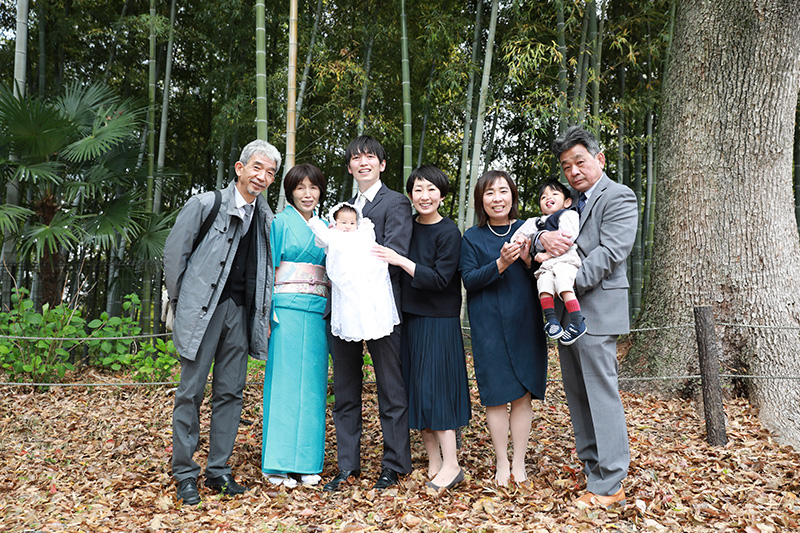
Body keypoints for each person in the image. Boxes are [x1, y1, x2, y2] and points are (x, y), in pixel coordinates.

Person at [164, 139, 279, 505]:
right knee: (191, 391)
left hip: (240, 313)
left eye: (270, 173)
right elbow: (175, 255)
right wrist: (181, 303)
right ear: (239, 168)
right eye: (257, 167)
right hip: (204, 309)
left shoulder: (267, 219)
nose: (262, 177)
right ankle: (185, 473)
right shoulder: (205, 204)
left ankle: (218, 470)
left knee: (231, 391)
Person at [538, 126, 637, 508]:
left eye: (579, 162)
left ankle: (611, 483)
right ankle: (593, 469)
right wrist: (541, 241)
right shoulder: (570, 203)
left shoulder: (618, 196)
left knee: (600, 394)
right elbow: (541, 235)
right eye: (566, 166)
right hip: (569, 314)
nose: (573, 171)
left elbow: (612, 251)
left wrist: (565, 282)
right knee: (578, 395)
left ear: (599, 159)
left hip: (595, 308)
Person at [323, 135, 413, 492]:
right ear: (349, 167)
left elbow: (394, 251)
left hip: (379, 307)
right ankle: (348, 465)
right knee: (345, 388)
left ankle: (394, 464)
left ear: (382, 164)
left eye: (370, 157)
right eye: (356, 158)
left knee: (391, 387)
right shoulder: (342, 209)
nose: (363, 162)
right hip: (343, 308)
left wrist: (350, 266)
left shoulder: (396, 202)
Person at [373, 165, 471, 491]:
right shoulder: (407, 226)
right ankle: (434, 463)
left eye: (431, 189)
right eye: (418, 189)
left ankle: (452, 465)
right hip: (409, 318)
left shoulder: (449, 232)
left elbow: (441, 279)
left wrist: (401, 260)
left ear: (442, 195)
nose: (424, 196)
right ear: (410, 195)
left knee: (436, 392)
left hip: (438, 322)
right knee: (417, 392)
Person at [459, 170, 548, 487]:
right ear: (480, 200)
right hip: (488, 325)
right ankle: (501, 462)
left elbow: (547, 271)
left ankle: (519, 463)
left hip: (525, 320)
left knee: (522, 395)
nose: (497, 199)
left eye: (503, 191)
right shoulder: (471, 237)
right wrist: (500, 263)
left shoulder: (530, 230)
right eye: (490, 193)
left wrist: (527, 261)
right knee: (496, 396)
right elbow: (469, 279)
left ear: (513, 196)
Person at [261, 163, 329, 488]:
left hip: (317, 312)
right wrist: (266, 313)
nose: (307, 194)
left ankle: (306, 462)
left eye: (313, 187)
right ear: (290, 192)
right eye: (300, 187)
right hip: (284, 311)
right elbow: (267, 269)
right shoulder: (279, 223)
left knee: (313, 387)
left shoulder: (326, 227)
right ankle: (277, 463)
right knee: (284, 384)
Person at [308, 202, 400, 342]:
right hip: (345, 275)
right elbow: (322, 239)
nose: (348, 226)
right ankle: (352, 328)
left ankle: (373, 324)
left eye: (352, 223)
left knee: (369, 302)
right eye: (343, 222)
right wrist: (315, 223)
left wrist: (366, 227)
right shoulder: (334, 235)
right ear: (335, 222)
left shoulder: (359, 234)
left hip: (364, 274)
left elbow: (370, 241)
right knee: (349, 307)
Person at [511, 179, 586, 344]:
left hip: (565, 260)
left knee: (563, 283)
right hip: (547, 266)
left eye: (554, 194)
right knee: (543, 284)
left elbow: (568, 238)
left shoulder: (568, 214)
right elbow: (518, 235)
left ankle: (577, 320)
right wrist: (520, 240)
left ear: (567, 202)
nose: (548, 197)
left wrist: (547, 255)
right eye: (543, 196)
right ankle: (552, 320)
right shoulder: (535, 221)